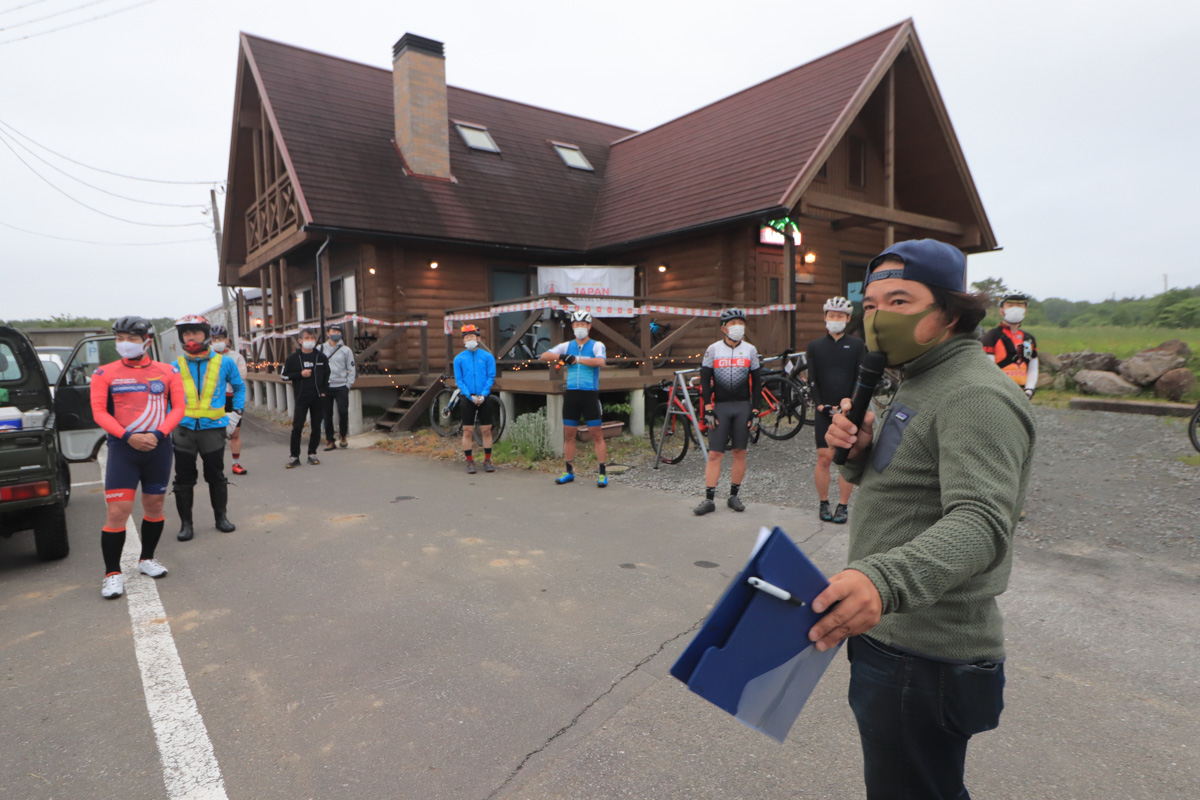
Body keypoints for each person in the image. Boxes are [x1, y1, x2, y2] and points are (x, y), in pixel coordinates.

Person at [808, 239, 1036, 800]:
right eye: (872, 303)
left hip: (925, 653)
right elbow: (903, 484)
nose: (878, 316)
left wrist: (883, 581)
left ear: (951, 313)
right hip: (893, 633)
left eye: (901, 301)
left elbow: (983, 522)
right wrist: (861, 450)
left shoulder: (974, 396)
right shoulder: (921, 381)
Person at [91, 316, 186, 599]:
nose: (125, 344)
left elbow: (179, 407)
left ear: (147, 340)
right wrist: (128, 436)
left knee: (155, 505)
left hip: (158, 446)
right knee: (117, 512)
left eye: (132, 338)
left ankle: (147, 558)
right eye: (120, 338)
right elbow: (99, 412)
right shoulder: (103, 373)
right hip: (123, 448)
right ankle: (112, 573)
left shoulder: (168, 371)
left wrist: (158, 434)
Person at [171, 314, 246, 541]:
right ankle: (186, 524)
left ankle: (221, 518)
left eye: (195, 332)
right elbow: (166, 398)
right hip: (183, 430)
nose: (190, 338)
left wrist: (236, 414)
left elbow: (240, 388)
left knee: (215, 475)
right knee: (183, 479)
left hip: (213, 429)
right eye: (186, 333)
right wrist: (167, 422)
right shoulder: (175, 366)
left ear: (205, 335)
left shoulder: (225, 362)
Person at [693, 308, 762, 515]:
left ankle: (734, 495)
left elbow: (758, 383)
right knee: (715, 453)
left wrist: (756, 410)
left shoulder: (750, 350)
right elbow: (705, 380)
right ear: (724, 328)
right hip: (720, 407)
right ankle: (709, 499)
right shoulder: (713, 349)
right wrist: (707, 408)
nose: (738, 327)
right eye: (733, 323)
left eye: (741, 323)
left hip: (742, 406)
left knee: (740, 452)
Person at [807, 296, 867, 524]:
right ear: (825, 317)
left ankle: (843, 506)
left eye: (840, 316)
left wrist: (850, 404)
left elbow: (859, 377)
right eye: (831, 315)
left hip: (848, 409)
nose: (835, 319)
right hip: (824, 408)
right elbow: (812, 378)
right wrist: (819, 403)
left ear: (848, 319)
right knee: (824, 457)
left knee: (845, 459)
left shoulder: (857, 345)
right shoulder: (814, 346)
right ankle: (823, 503)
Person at [538, 311, 609, 487]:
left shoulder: (596, 345)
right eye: (576, 325)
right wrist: (563, 357)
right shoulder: (567, 345)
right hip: (572, 395)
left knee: (597, 435)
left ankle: (602, 472)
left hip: (589, 394)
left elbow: (600, 362)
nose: (580, 328)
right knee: (569, 435)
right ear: (572, 327)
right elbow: (544, 356)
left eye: (583, 325)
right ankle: (569, 471)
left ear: (589, 326)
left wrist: (576, 359)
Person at [281, 328, 329, 468]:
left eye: (312, 338)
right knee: (297, 427)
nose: (310, 340)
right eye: (307, 338)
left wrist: (324, 391)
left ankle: (312, 453)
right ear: (300, 340)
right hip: (301, 397)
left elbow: (327, 375)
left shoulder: (321, 357)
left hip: (318, 397)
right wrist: (300, 374)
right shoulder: (293, 358)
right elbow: (284, 376)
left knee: (316, 427)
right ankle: (294, 456)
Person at [452, 324, 497, 474]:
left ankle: (487, 459)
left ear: (478, 338)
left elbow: (491, 377)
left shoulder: (487, 357)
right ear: (463, 340)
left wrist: (484, 394)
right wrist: (469, 396)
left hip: (484, 396)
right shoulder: (459, 359)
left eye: (472, 336)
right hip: (467, 397)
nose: (469, 339)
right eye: (466, 337)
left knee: (486, 429)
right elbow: (459, 380)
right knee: (467, 430)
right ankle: (470, 461)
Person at [980, 291, 1039, 399]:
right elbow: (988, 368)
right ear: (1001, 310)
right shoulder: (991, 336)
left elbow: (1033, 367)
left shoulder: (1029, 339)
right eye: (1010, 305)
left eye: (1020, 305)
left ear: (1025, 310)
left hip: (1023, 394)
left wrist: (1030, 389)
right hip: (998, 394)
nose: (1015, 308)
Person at [210, 325, 249, 475]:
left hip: (232, 398)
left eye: (220, 338)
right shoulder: (206, 358)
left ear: (227, 339)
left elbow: (241, 377)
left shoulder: (236, 357)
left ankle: (235, 463)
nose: (217, 341)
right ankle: (215, 465)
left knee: (234, 433)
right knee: (214, 434)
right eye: (214, 339)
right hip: (214, 400)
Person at [321, 324, 357, 451]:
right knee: (327, 414)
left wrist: (348, 385)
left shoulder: (346, 350)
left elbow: (351, 368)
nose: (335, 333)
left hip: (341, 385)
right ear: (327, 333)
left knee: (343, 412)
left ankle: (343, 436)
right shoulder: (321, 348)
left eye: (338, 331)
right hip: (326, 386)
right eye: (333, 331)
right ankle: (330, 440)